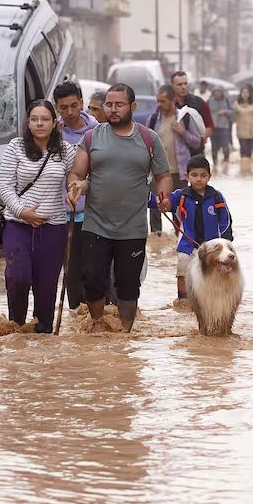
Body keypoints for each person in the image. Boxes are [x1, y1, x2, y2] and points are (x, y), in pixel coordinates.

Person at [67, 84, 173, 333]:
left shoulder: (148, 139)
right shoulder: (92, 137)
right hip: (96, 225)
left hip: (132, 228)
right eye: (109, 105)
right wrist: (75, 188)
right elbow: (77, 173)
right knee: (92, 281)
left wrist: (164, 195)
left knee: (128, 286)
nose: (113, 110)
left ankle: (125, 335)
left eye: (119, 105)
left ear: (132, 107)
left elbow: (163, 175)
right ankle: (98, 327)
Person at [0, 100, 76, 333]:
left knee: (47, 287)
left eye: (45, 119)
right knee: (17, 276)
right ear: (28, 122)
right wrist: (22, 212)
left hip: (54, 228)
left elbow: (76, 178)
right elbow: (5, 186)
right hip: (17, 224)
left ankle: (42, 334)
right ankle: (16, 327)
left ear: (54, 123)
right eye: (34, 119)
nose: (39, 123)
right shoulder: (15, 147)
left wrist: (73, 192)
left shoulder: (66, 151)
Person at [151, 155, 233, 307]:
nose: (199, 179)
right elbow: (162, 203)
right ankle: (183, 300)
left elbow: (226, 220)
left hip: (212, 247)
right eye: (194, 175)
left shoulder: (216, 197)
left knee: (216, 272)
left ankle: (215, 301)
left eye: (203, 175)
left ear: (210, 176)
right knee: (182, 267)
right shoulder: (181, 196)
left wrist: (225, 241)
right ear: (187, 177)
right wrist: (152, 199)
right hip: (188, 245)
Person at [53, 81, 98, 311]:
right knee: (70, 274)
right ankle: (76, 319)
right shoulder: (52, 135)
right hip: (63, 215)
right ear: (57, 108)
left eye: (74, 105)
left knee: (94, 272)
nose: (70, 112)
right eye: (63, 107)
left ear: (81, 103)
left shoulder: (97, 132)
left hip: (94, 215)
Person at [147, 84, 202, 233]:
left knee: (180, 211)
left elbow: (197, 142)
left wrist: (183, 132)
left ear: (174, 100)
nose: (159, 104)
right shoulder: (152, 120)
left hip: (180, 173)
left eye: (163, 101)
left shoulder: (185, 118)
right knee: (155, 210)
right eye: (158, 100)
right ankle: (157, 245)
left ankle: (180, 241)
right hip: (158, 173)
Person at [170, 71, 214, 153]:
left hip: (195, 152)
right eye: (179, 84)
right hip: (175, 152)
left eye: (185, 84)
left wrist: (200, 140)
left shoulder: (199, 103)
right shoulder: (168, 104)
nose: (183, 87)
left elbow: (210, 127)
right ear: (172, 86)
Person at [235, 84, 253, 173]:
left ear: (249, 94)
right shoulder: (236, 104)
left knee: (250, 154)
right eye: (243, 92)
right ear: (241, 94)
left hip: (252, 132)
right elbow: (233, 118)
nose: (245, 94)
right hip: (241, 132)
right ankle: (243, 172)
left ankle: (248, 172)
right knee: (243, 152)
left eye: (247, 92)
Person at [208, 86, 233, 167]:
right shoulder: (209, 101)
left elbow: (232, 112)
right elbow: (205, 113)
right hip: (213, 127)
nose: (217, 93)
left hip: (224, 127)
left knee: (225, 145)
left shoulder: (226, 101)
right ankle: (215, 164)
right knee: (214, 147)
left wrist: (226, 112)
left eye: (219, 91)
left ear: (222, 92)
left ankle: (226, 162)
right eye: (215, 91)